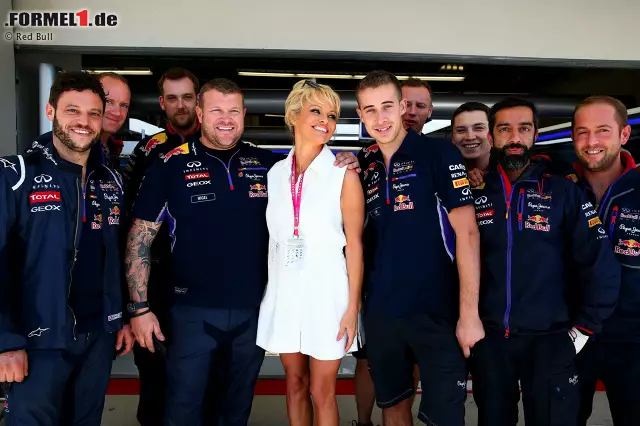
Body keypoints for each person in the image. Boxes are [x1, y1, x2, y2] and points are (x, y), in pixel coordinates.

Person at [124, 78, 360, 426]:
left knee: (235, 409)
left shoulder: (268, 165)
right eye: (217, 110)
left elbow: (310, 165)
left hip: (253, 310)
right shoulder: (169, 165)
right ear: (200, 113)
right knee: (183, 406)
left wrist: (346, 159)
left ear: (244, 114)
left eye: (233, 111)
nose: (226, 118)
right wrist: (139, 308)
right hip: (192, 312)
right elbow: (138, 238)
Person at [469, 97, 621, 426]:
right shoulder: (473, 192)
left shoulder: (563, 192)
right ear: (492, 136)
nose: (515, 137)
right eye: (504, 129)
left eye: (524, 129)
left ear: (535, 135)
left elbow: (600, 264)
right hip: (490, 340)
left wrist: (583, 330)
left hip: (551, 339)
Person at [0, 71, 133, 426]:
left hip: (97, 337)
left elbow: (117, 254)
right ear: (51, 111)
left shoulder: (111, 179)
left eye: (93, 113)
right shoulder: (16, 175)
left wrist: (119, 317)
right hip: (37, 340)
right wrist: (6, 341)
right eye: (72, 110)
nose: (83, 122)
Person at [355, 70, 483, 426]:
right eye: (369, 110)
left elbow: (468, 233)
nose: (380, 118)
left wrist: (469, 315)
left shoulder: (439, 153)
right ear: (361, 115)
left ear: (401, 107)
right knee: (394, 408)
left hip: (438, 313)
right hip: (382, 313)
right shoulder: (363, 164)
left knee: (444, 416)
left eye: (386, 106)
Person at [256, 80, 364, 426]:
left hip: (329, 297)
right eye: (316, 111)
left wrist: (352, 308)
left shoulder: (343, 175)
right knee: (295, 384)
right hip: (285, 294)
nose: (325, 121)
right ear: (293, 116)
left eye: (332, 116)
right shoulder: (274, 175)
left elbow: (355, 245)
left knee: (322, 390)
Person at [121, 66, 203, 426]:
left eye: (187, 97)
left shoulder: (217, 141)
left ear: (198, 100)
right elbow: (127, 217)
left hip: (202, 278)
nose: (180, 105)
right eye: (173, 98)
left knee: (200, 370)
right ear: (162, 103)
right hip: (154, 276)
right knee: (153, 366)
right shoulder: (148, 149)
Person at [569, 96, 640, 426]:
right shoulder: (558, 188)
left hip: (633, 341)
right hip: (569, 335)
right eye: (582, 132)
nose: (591, 141)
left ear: (624, 134)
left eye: (602, 130)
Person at [32, 72, 131, 172]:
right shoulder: (46, 152)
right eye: (109, 101)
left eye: (124, 105)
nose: (117, 113)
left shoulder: (113, 148)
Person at [451, 102, 492, 187]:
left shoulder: (511, 173)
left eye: (478, 128)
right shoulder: (438, 176)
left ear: (493, 134)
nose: (470, 137)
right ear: (453, 138)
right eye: (461, 130)